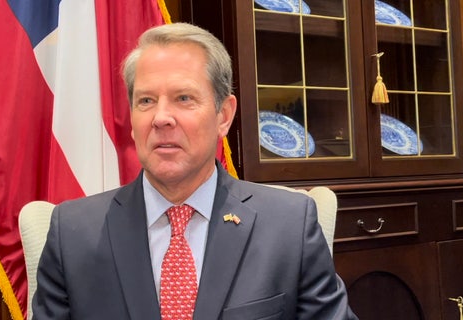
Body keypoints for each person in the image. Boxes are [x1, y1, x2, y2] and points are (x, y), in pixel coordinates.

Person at [32, 22, 358, 320]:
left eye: (183, 98)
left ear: (224, 116)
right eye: (146, 101)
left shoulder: (289, 225)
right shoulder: (72, 234)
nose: (161, 118)